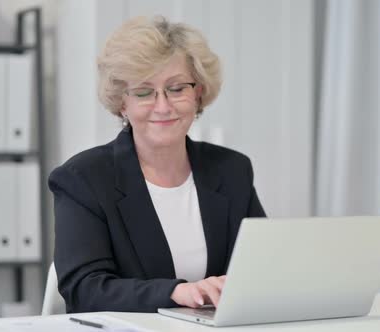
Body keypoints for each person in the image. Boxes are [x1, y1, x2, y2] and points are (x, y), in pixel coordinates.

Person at [48, 16, 266, 313]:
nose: (163, 106)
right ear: (122, 102)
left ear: (197, 93)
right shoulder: (83, 179)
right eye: (143, 92)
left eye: (177, 89)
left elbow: (265, 269)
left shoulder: (232, 170)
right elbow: (84, 289)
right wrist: (177, 292)